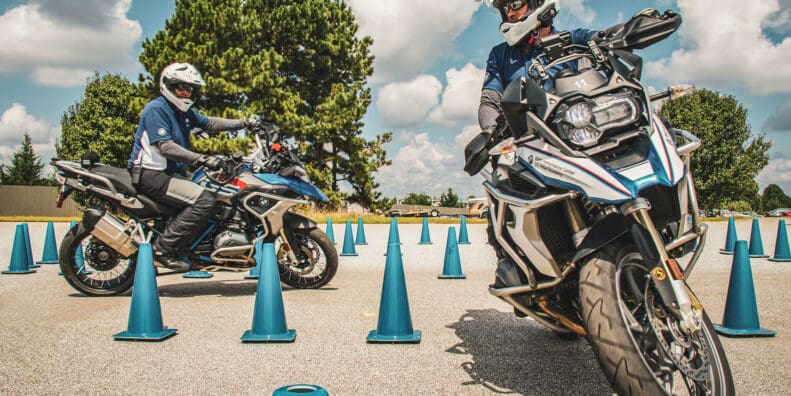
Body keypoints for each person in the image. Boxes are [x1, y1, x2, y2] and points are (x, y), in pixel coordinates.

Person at [478, 0, 599, 288]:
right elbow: (489, 100)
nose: (510, 11)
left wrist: (625, 34)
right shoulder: (501, 55)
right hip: (532, 147)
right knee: (500, 185)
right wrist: (490, 132)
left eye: (515, 3)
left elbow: (603, 40)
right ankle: (514, 266)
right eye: (504, 6)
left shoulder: (573, 40)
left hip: (580, 141)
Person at [128, 62, 258, 271]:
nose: (187, 92)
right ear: (168, 86)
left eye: (190, 88)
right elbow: (166, 147)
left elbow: (210, 123)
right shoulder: (157, 109)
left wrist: (244, 123)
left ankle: (193, 250)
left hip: (171, 173)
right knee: (204, 200)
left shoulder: (183, 113)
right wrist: (203, 159)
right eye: (182, 87)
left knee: (214, 195)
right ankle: (162, 250)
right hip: (152, 174)